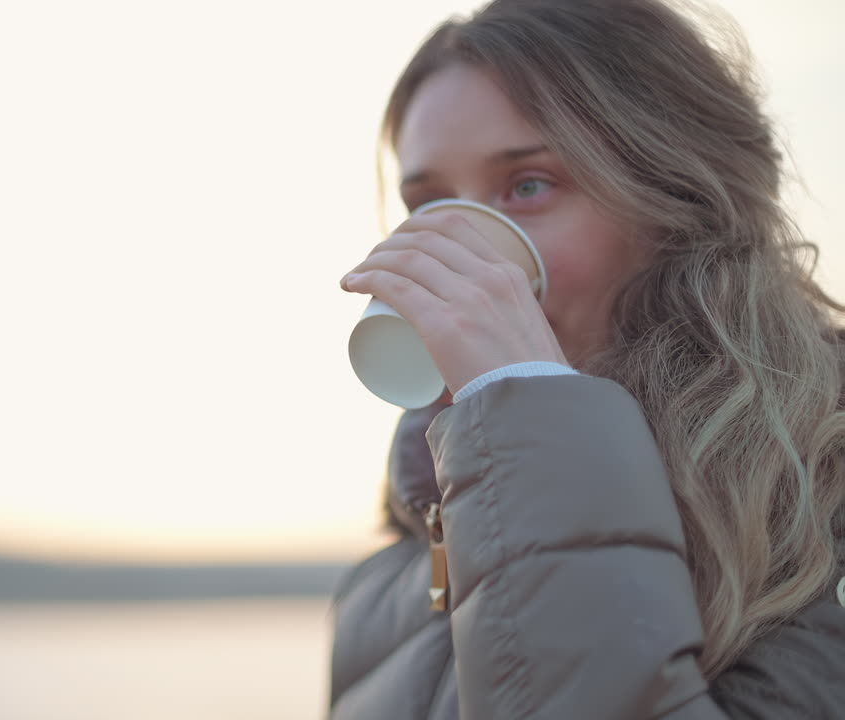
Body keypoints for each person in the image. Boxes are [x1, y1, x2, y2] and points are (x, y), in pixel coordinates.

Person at [330, 0, 845, 717]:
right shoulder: (393, 569)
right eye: (429, 204)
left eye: (529, 186)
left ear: (677, 203)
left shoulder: (820, 510)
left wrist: (528, 408)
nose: (458, 246)